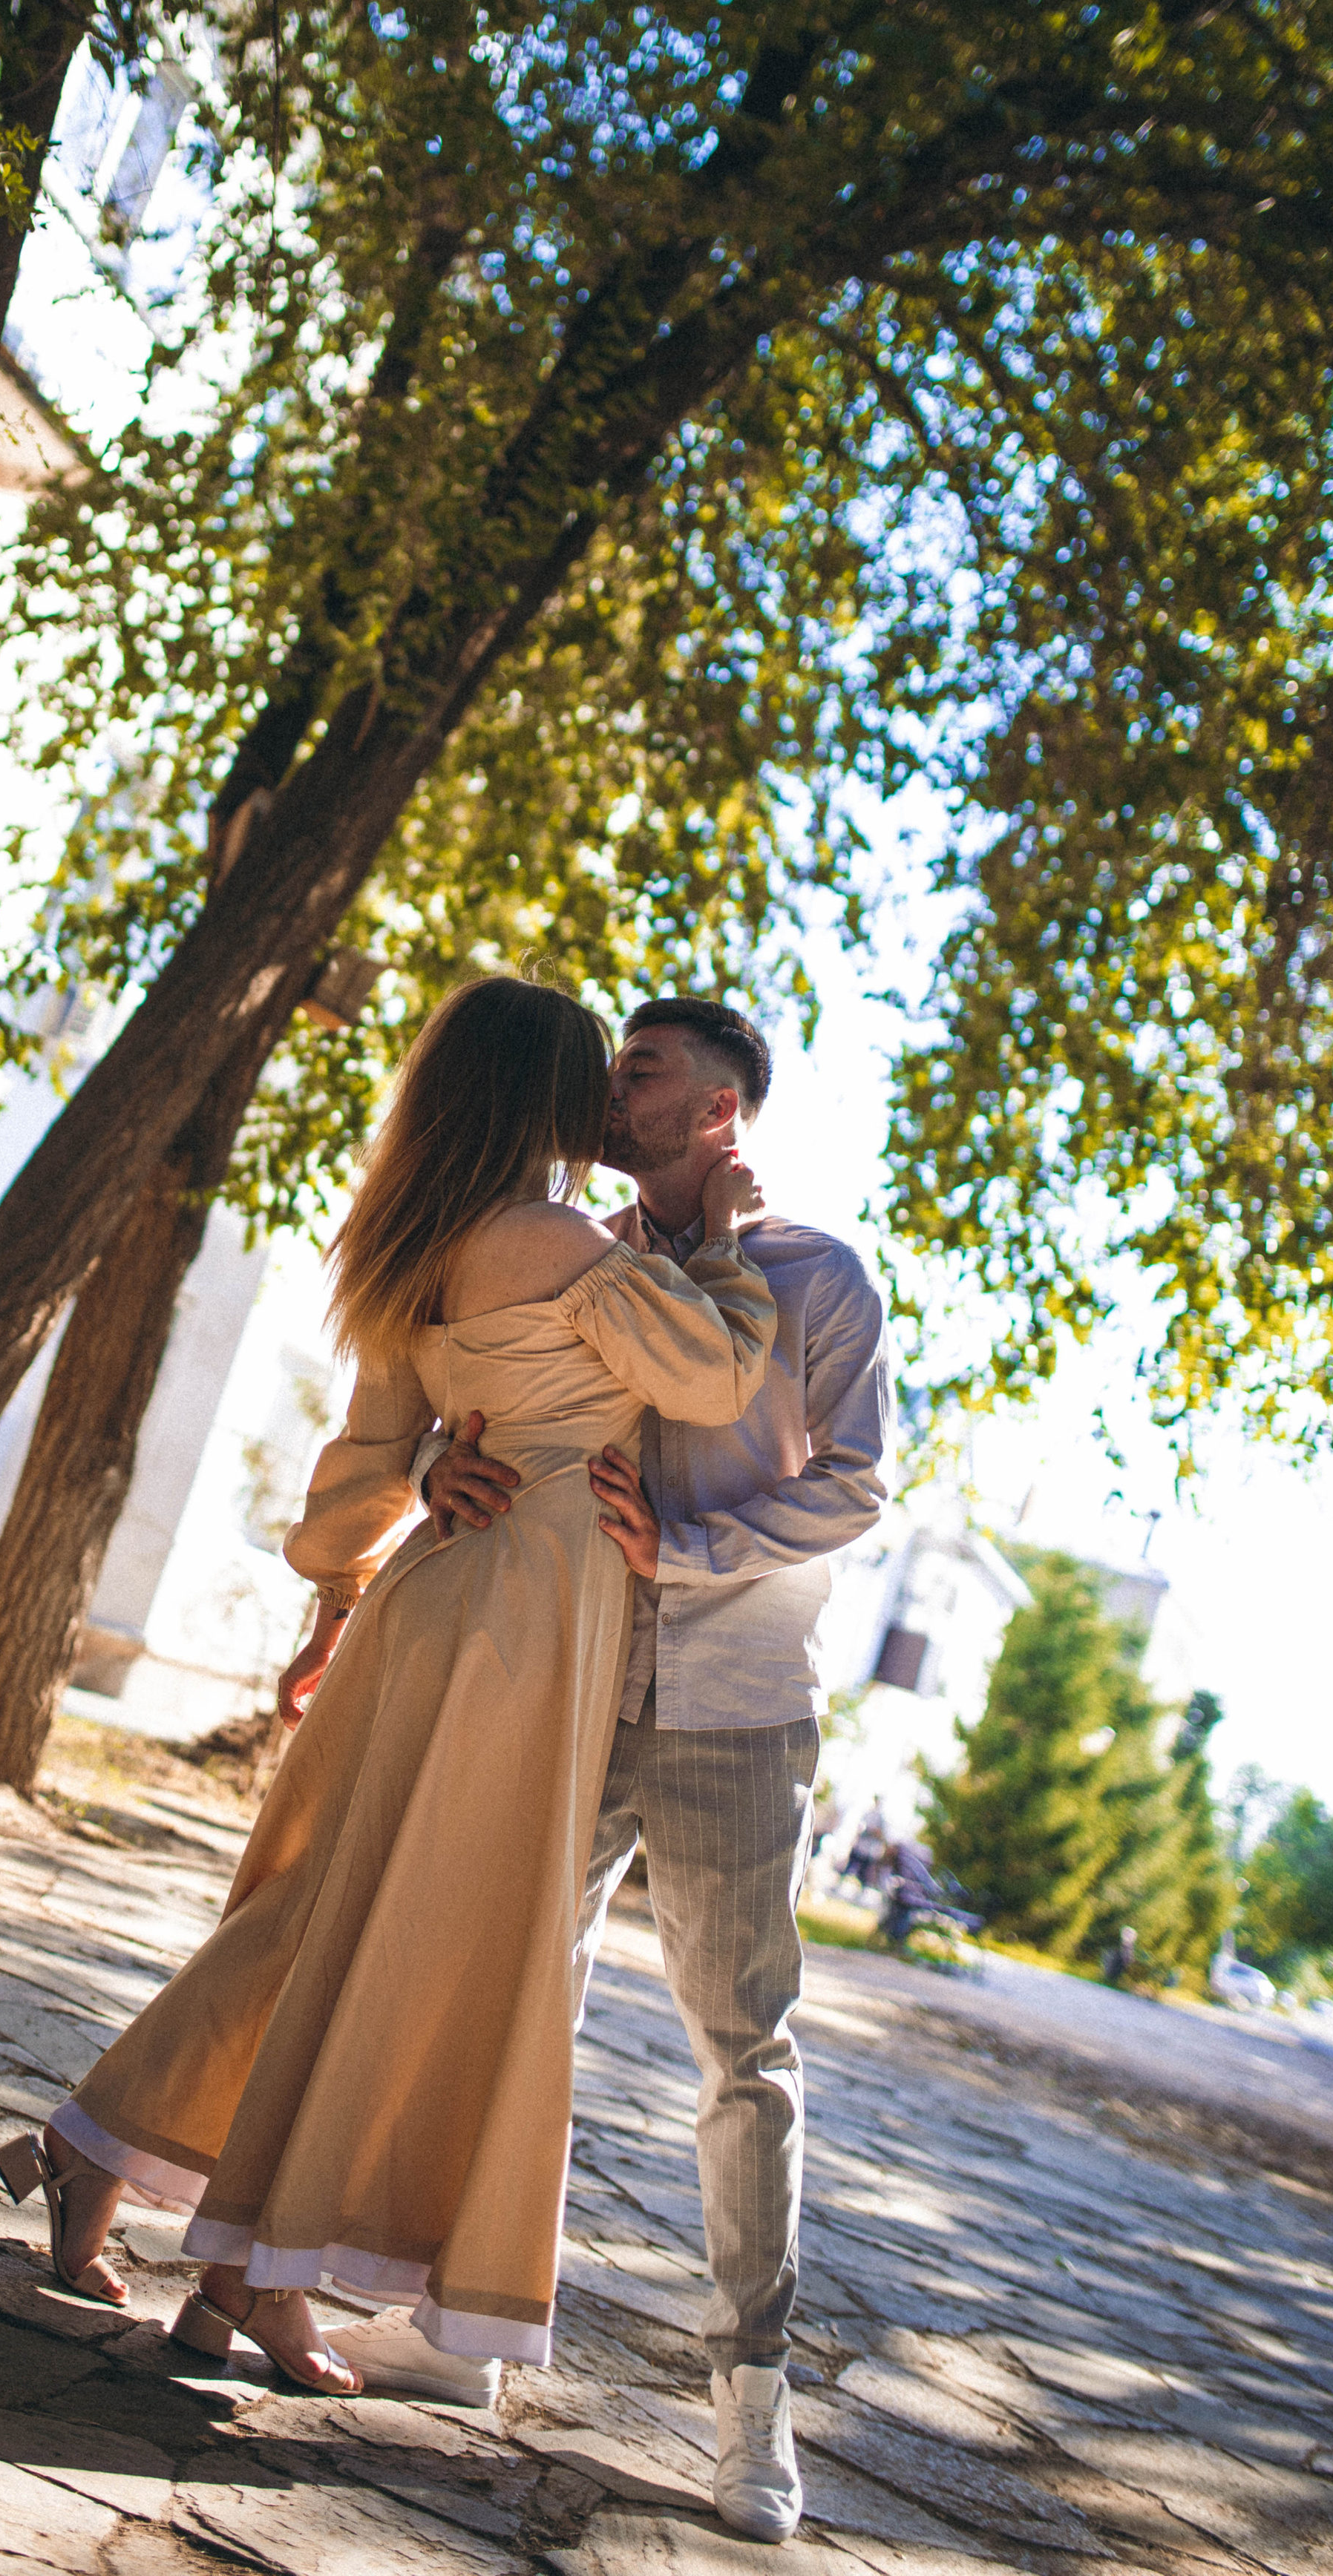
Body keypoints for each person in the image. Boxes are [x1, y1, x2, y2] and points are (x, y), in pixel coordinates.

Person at [0, 976, 776, 2397]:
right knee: (415, 1939)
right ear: (536, 1093)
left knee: (322, 1917)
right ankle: (255, 2267)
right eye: (593, 1075)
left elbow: (360, 1465)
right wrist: (723, 1237)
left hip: (441, 1602)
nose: (607, 1100)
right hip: (524, 1619)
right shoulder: (554, 1239)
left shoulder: (417, 1238)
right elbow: (715, 1378)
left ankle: (108, 2162)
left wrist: (373, 1546)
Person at [420, 996, 891, 2540]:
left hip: (738, 1711)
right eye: (612, 1070)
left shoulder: (819, 1276)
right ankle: (464, 2329)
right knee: (516, 1994)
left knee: (739, 2057)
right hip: (569, 1685)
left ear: (720, 1113)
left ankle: (752, 2411)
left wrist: (685, 1550)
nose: (608, 1094)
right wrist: (439, 1462)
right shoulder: (581, 1257)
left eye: (640, 1073)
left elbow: (853, 1488)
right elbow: (484, 1390)